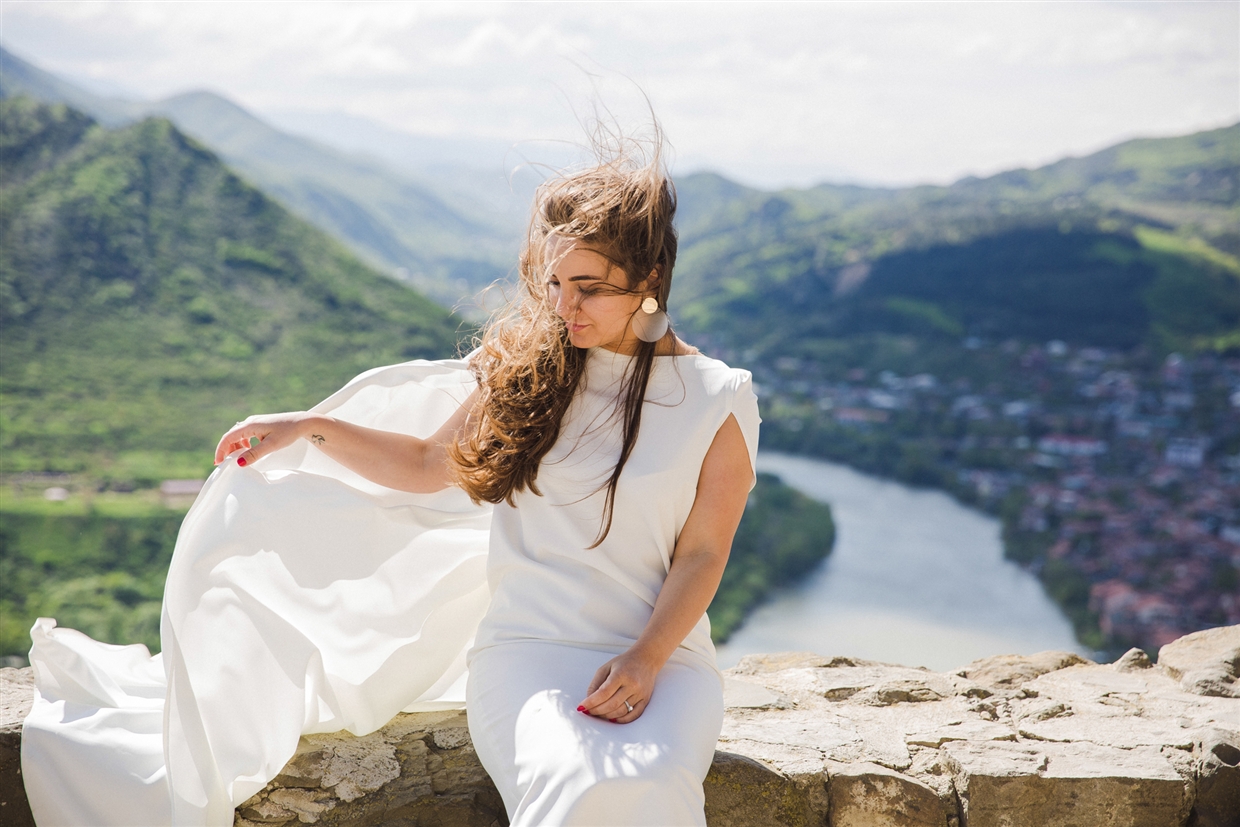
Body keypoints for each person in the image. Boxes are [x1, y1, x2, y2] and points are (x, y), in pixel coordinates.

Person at [21, 135, 759, 827]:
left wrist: (646, 658)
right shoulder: (537, 375)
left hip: (664, 660)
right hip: (528, 654)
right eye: (556, 283)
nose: (565, 308)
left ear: (650, 279)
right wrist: (310, 426)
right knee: (580, 783)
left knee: (652, 783)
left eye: (589, 287)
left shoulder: (717, 398)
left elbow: (702, 553)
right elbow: (423, 466)